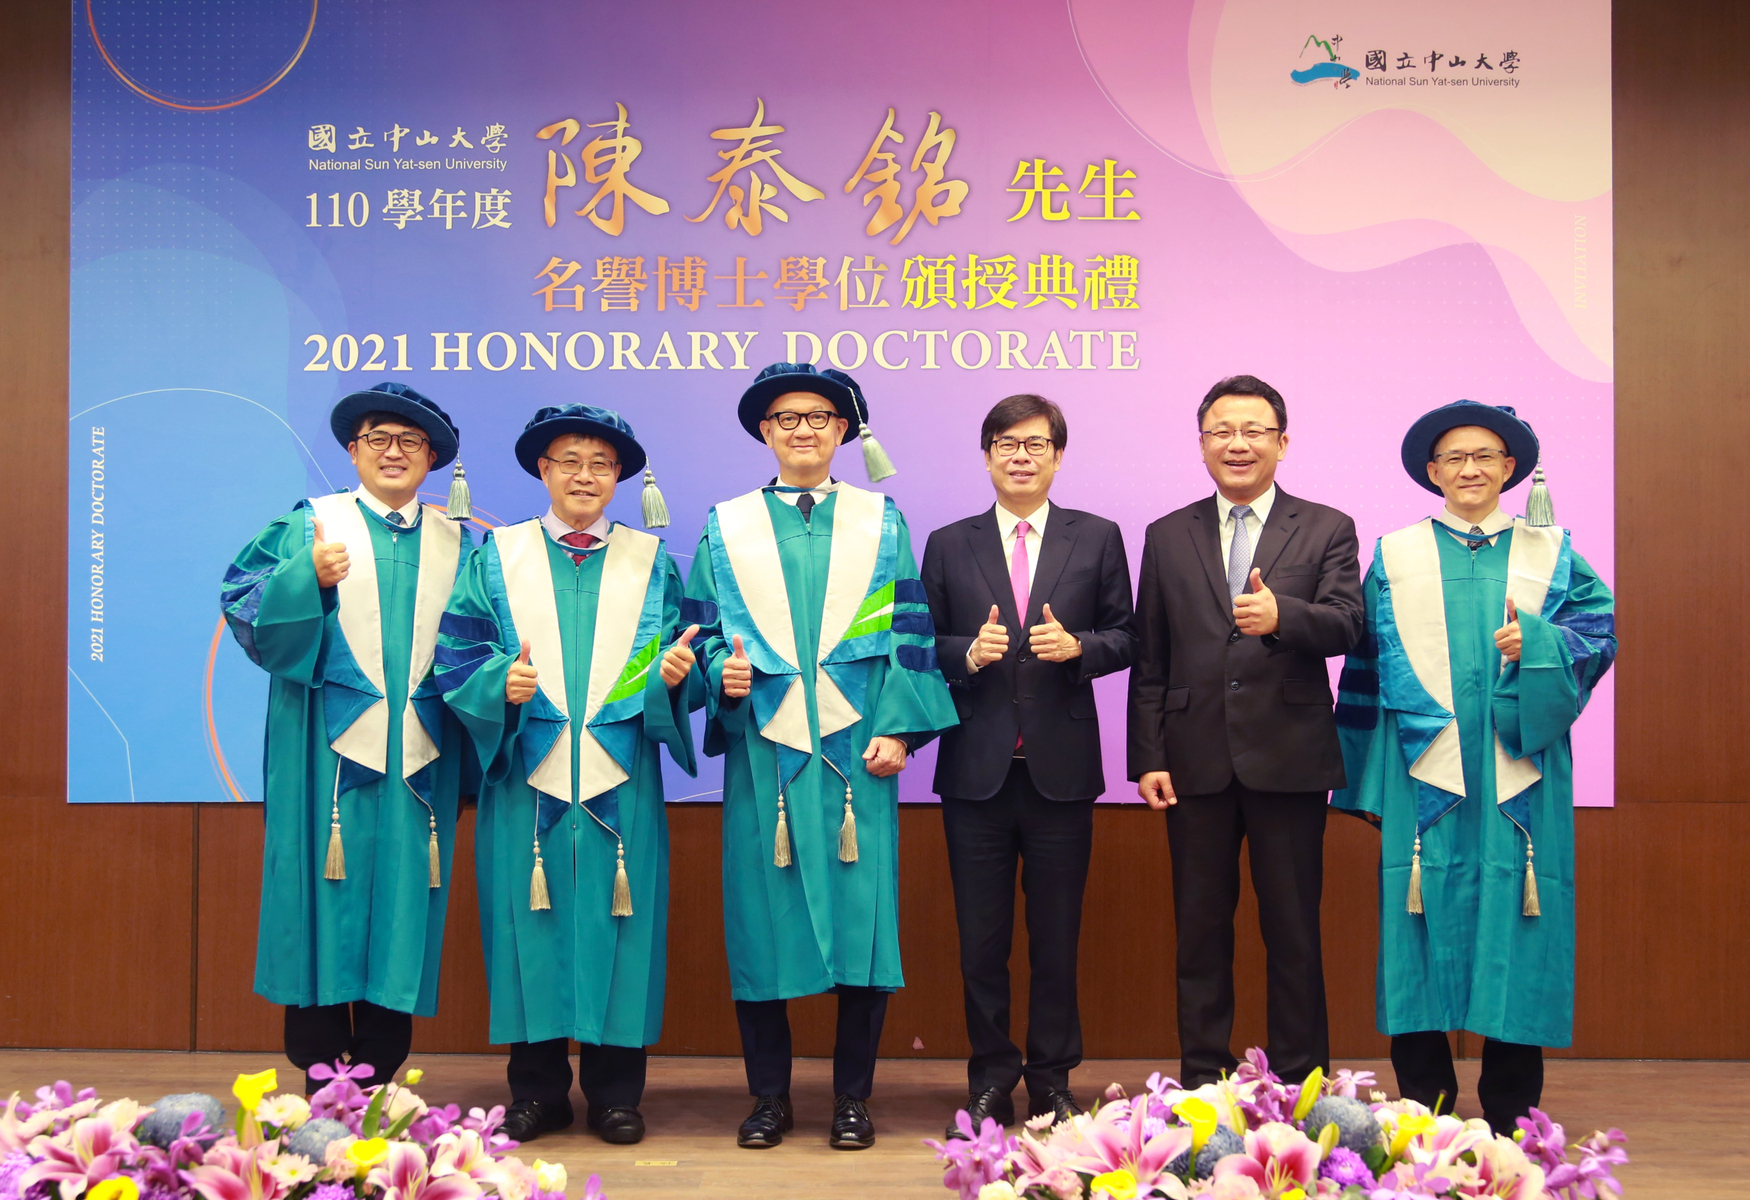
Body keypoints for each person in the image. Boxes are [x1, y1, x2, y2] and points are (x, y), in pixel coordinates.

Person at [685, 362, 956, 1150]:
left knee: (863, 928)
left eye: (820, 417)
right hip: (767, 752)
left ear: (843, 431)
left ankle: (851, 1100)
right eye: (785, 418)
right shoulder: (724, 525)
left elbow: (908, 633)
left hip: (856, 754)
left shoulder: (883, 522)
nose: (803, 429)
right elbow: (699, 637)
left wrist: (902, 731)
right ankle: (768, 1098)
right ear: (763, 432)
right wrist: (721, 680)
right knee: (759, 928)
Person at [1331, 400, 1615, 1134]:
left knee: (1519, 924)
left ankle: (1512, 1113)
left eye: (1485, 456)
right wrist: (1362, 781)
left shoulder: (1550, 552)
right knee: (1416, 925)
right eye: (1454, 458)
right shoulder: (1396, 554)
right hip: (1421, 772)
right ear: (1432, 472)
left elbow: (1598, 632)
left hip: (1518, 767)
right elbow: (1362, 669)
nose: (1470, 469)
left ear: (1510, 469)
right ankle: (1423, 1111)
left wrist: (1542, 647)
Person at [434, 404, 701, 1145]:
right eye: (568, 462)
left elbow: (684, 666)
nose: (585, 476)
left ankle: (618, 1093)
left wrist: (678, 677)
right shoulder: (496, 555)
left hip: (622, 777)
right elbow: (458, 659)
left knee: (623, 923)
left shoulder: (654, 564)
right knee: (533, 926)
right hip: (527, 772)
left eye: (601, 464)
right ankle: (538, 1091)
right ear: (542, 471)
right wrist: (499, 688)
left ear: (620, 477)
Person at [220, 382, 473, 1093]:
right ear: (353, 450)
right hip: (323, 754)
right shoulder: (311, 527)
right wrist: (307, 578)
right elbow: (246, 611)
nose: (393, 453)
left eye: (410, 442)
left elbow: (485, 646)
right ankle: (320, 1071)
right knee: (321, 894)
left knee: (402, 903)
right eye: (378, 439)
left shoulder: (463, 545)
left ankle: (381, 1071)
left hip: (419, 756)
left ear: (432, 458)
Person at [1127, 374, 1364, 1088]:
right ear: (1202, 444)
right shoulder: (1167, 534)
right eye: (1221, 431)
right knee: (1200, 933)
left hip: (1289, 758)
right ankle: (1202, 1079)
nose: (1237, 443)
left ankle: (1301, 1081)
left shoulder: (1327, 526)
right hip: (1192, 762)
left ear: (1282, 443)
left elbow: (1350, 623)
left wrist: (1285, 616)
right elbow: (1151, 656)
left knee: (1292, 932)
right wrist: (1148, 755)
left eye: (1254, 430)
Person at [920, 394, 1136, 1138]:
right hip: (976, 771)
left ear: (1057, 455)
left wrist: (1081, 648)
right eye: (1006, 443)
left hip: (1061, 771)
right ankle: (990, 1080)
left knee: (1055, 937)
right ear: (986, 455)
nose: (1020, 456)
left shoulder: (1098, 536)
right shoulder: (950, 543)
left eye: (1035, 444)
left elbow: (1127, 635)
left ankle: (1051, 1083)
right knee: (981, 941)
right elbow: (923, 643)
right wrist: (963, 654)